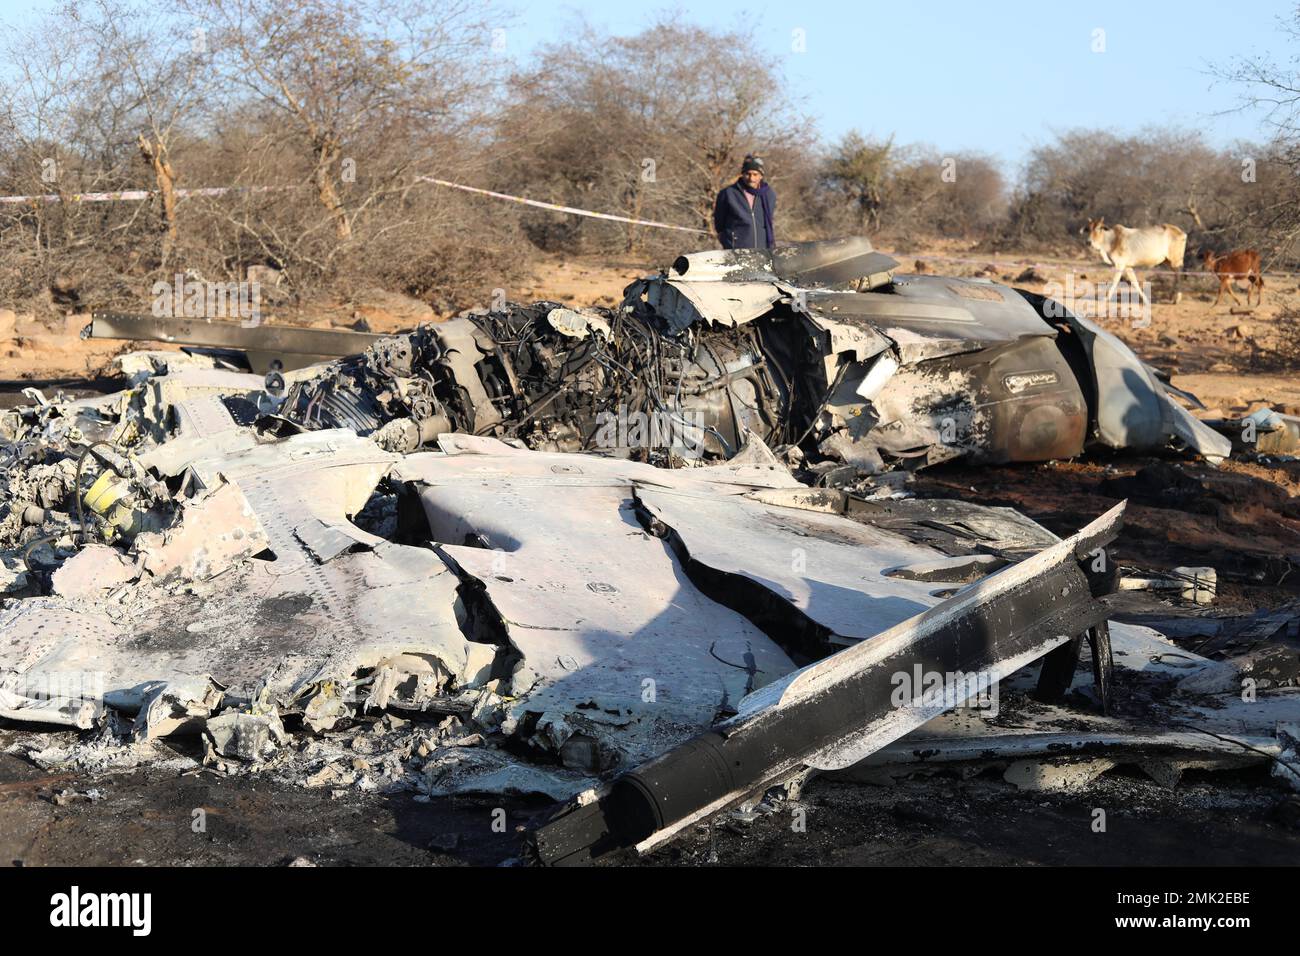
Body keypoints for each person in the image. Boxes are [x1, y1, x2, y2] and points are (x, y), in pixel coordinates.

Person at [713, 155, 776, 250]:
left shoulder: (768, 195)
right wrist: (727, 241)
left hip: (762, 250)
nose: (751, 178)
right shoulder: (728, 193)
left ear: (761, 176)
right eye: (748, 174)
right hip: (736, 250)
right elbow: (719, 223)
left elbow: (768, 221)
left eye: (755, 174)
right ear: (742, 174)